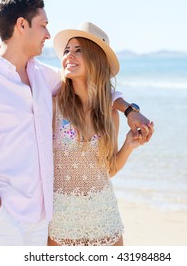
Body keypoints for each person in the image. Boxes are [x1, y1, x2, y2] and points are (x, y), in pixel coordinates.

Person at [0, 0, 153, 246]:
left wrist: (129, 111)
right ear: (22, 25)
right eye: (43, 25)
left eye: (78, 50)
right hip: (6, 220)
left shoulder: (40, 76)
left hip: (50, 220)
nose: (48, 34)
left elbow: (95, 88)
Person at [48, 22, 152, 246]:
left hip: (104, 216)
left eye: (79, 50)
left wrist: (128, 145)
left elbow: (109, 170)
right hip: (63, 218)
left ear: (95, 59)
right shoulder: (52, 107)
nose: (69, 56)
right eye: (67, 50)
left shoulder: (109, 113)